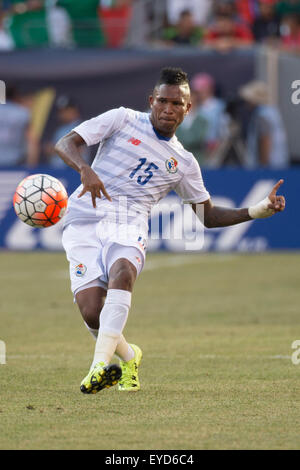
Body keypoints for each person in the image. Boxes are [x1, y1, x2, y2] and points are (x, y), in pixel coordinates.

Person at [55, 67, 285, 395]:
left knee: (123, 273)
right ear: (151, 101)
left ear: (187, 109)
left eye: (177, 103)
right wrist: (85, 169)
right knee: (92, 312)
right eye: (162, 101)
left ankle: (100, 366)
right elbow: (66, 143)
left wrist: (257, 210)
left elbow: (208, 216)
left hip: (129, 222)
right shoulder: (122, 119)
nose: (168, 108)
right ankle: (130, 357)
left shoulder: (183, 162)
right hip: (83, 219)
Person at [239, 80, 289, 168]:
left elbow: (265, 139)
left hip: (270, 166)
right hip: (278, 163)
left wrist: (263, 167)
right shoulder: (272, 111)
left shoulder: (262, 115)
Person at [44, 96, 89, 167]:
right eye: (61, 111)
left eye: (67, 110)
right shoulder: (60, 130)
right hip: (58, 171)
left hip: (76, 171)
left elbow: (78, 150)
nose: (63, 114)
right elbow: (48, 150)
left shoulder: (82, 126)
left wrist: (55, 149)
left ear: (75, 110)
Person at [0, 85, 39, 167]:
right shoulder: (23, 112)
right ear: (16, 96)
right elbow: (32, 141)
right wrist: (31, 166)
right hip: (15, 162)